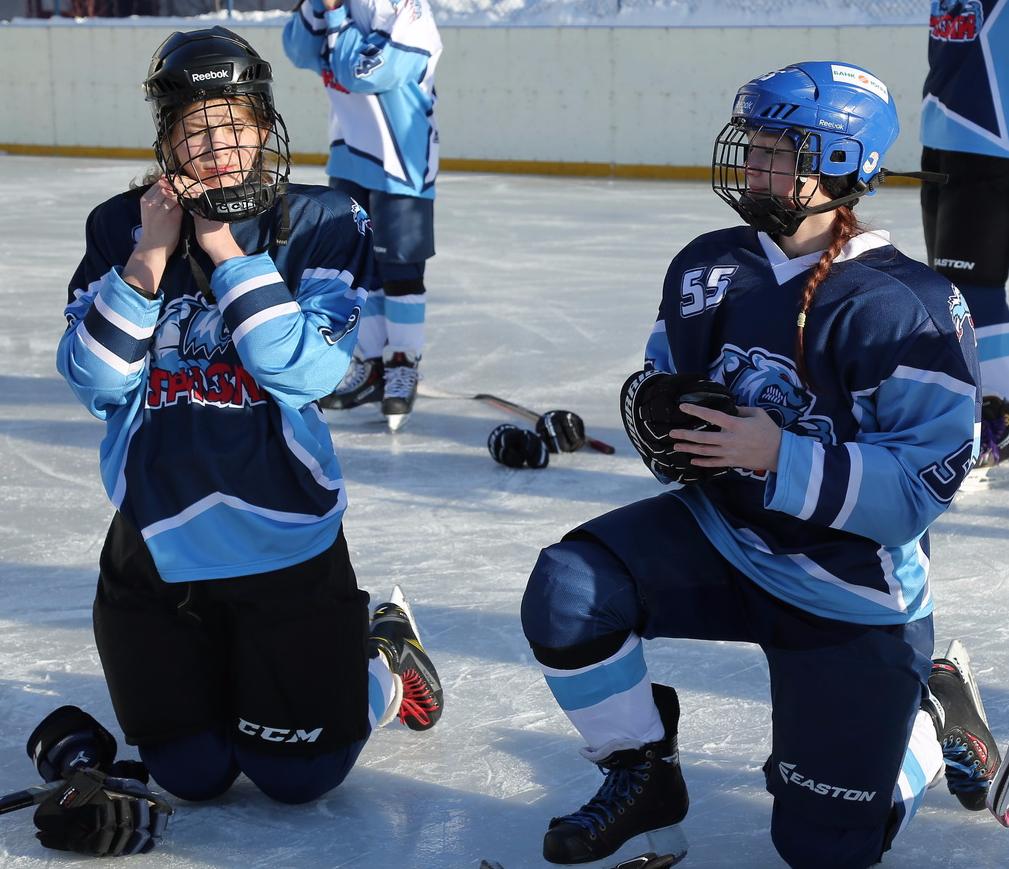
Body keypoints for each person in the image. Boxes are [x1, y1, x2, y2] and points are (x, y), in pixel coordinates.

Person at [520, 61, 1000, 868]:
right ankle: (639, 773)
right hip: (723, 536)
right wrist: (658, 407)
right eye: (754, 146)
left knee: (822, 850)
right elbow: (664, 368)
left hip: (846, 588)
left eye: (782, 151)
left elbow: (919, 487)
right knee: (569, 588)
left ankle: (928, 719)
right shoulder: (709, 264)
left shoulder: (904, 305)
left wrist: (780, 452)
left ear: (844, 164)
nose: (756, 166)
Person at [44, 26, 443, 857]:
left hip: (284, 539)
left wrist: (222, 250)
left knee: (302, 777)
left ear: (265, 125)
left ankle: (383, 654)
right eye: (196, 127)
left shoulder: (323, 219)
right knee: (190, 772)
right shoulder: (120, 222)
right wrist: (151, 255)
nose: (217, 146)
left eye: (234, 123)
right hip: (157, 543)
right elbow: (95, 380)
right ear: (167, 136)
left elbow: (304, 372)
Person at [283, 0, 442, 431]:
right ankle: (372, 365)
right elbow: (297, 49)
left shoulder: (408, 10)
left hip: (400, 162)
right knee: (359, 267)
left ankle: (403, 362)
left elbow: (366, 72)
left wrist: (335, 19)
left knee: (401, 269)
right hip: (349, 154)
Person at [921, 0, 1009, 467]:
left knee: (974, 289)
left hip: (991, 139)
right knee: (954, 287)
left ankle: (999, 416)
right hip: (943, 130)